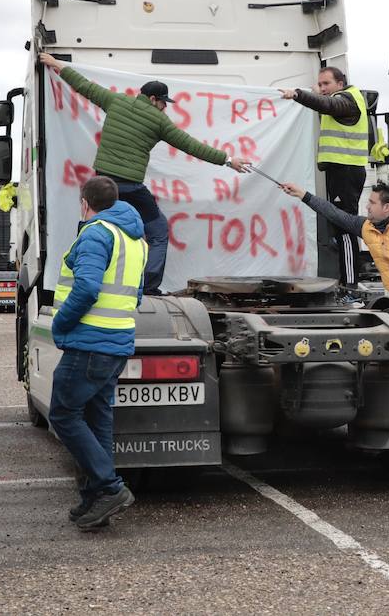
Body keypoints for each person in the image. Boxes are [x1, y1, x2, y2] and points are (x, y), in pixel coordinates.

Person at [40, 52, 252, 295]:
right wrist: (227, 160)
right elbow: (192, 146)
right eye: (163, 103)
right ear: (153, 99)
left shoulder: (115, 100)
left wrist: (57, 65)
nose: (165, 108)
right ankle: (149, 287)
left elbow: (84, 86)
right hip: (130, 187)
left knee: (94, 227)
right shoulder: (158, 121)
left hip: (101, 182)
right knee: (158, 231)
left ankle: (83, 276)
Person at [49, 176, 146, 530]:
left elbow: (88, 287)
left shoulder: (95, 233)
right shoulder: (135, 239)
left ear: (85, 203)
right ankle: (94, 499)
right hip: (117, 339)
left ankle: (108, 487)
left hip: (89, 343)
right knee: (97, 417)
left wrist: (61, 323)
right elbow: (135, 294)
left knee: (63, 414)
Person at [279, 180, 389, 295]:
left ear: (386, 207)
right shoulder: (366, 227)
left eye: (372, 203)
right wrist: (302, 194)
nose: (367, 206)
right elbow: (334, 213)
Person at [280, 66, 370, 288]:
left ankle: (350, 285)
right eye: (319, 85)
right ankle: (347, 281)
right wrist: (314, 92)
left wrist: (299, 95)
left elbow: (328, 104)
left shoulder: (346, 100)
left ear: (340, 84)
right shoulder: (341, 97)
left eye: (326, 84)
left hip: (346, 171)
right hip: (340, 170)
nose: (322, 89)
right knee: (338, 224)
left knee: (345, 226)